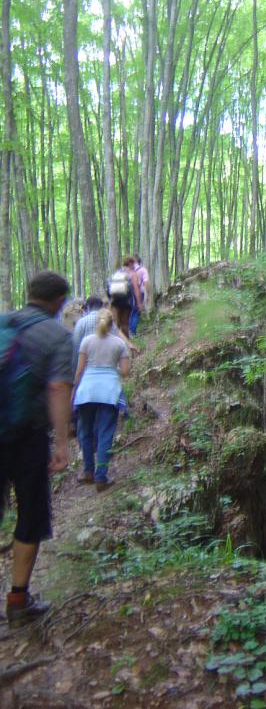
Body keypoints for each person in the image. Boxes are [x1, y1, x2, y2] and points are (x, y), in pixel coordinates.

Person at [0, 271, 73, 626]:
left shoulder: (2, 324)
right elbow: (59, 388)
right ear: (59, 302)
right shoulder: (58, 336)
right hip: (26, 437)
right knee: (30, 514)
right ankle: (17, 600)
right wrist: (62, 443)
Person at [72, 308, 129, 491]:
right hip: (109, 392)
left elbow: (80, 370)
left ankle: (88, 471)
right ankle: (101, 477)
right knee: (105, 433)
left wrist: (74, 390)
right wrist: (112, 368)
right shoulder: (120, 344)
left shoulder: (86, 341)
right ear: (113, 323)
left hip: (86, 391)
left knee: (85, 432)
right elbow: (126, 371)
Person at [107, 257, 143, 339]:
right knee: (125, 323)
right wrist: (139, 303)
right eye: (133, 263)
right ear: (130, 263)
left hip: (115, 301)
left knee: (116, 323)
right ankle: (126, 344)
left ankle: (114, 341)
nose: (134, 265)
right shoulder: (133, 274)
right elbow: (137, 290)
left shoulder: (117, 273)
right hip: (126, 302)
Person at [129, 255, 150, 336]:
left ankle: (127, 331)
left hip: (128, 293)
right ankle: (132, 332)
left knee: (130, 311)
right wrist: (148, 294)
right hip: (139, 293)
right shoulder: (142, 270)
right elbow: (146, 282)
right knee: (136, 312)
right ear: (140, 261)